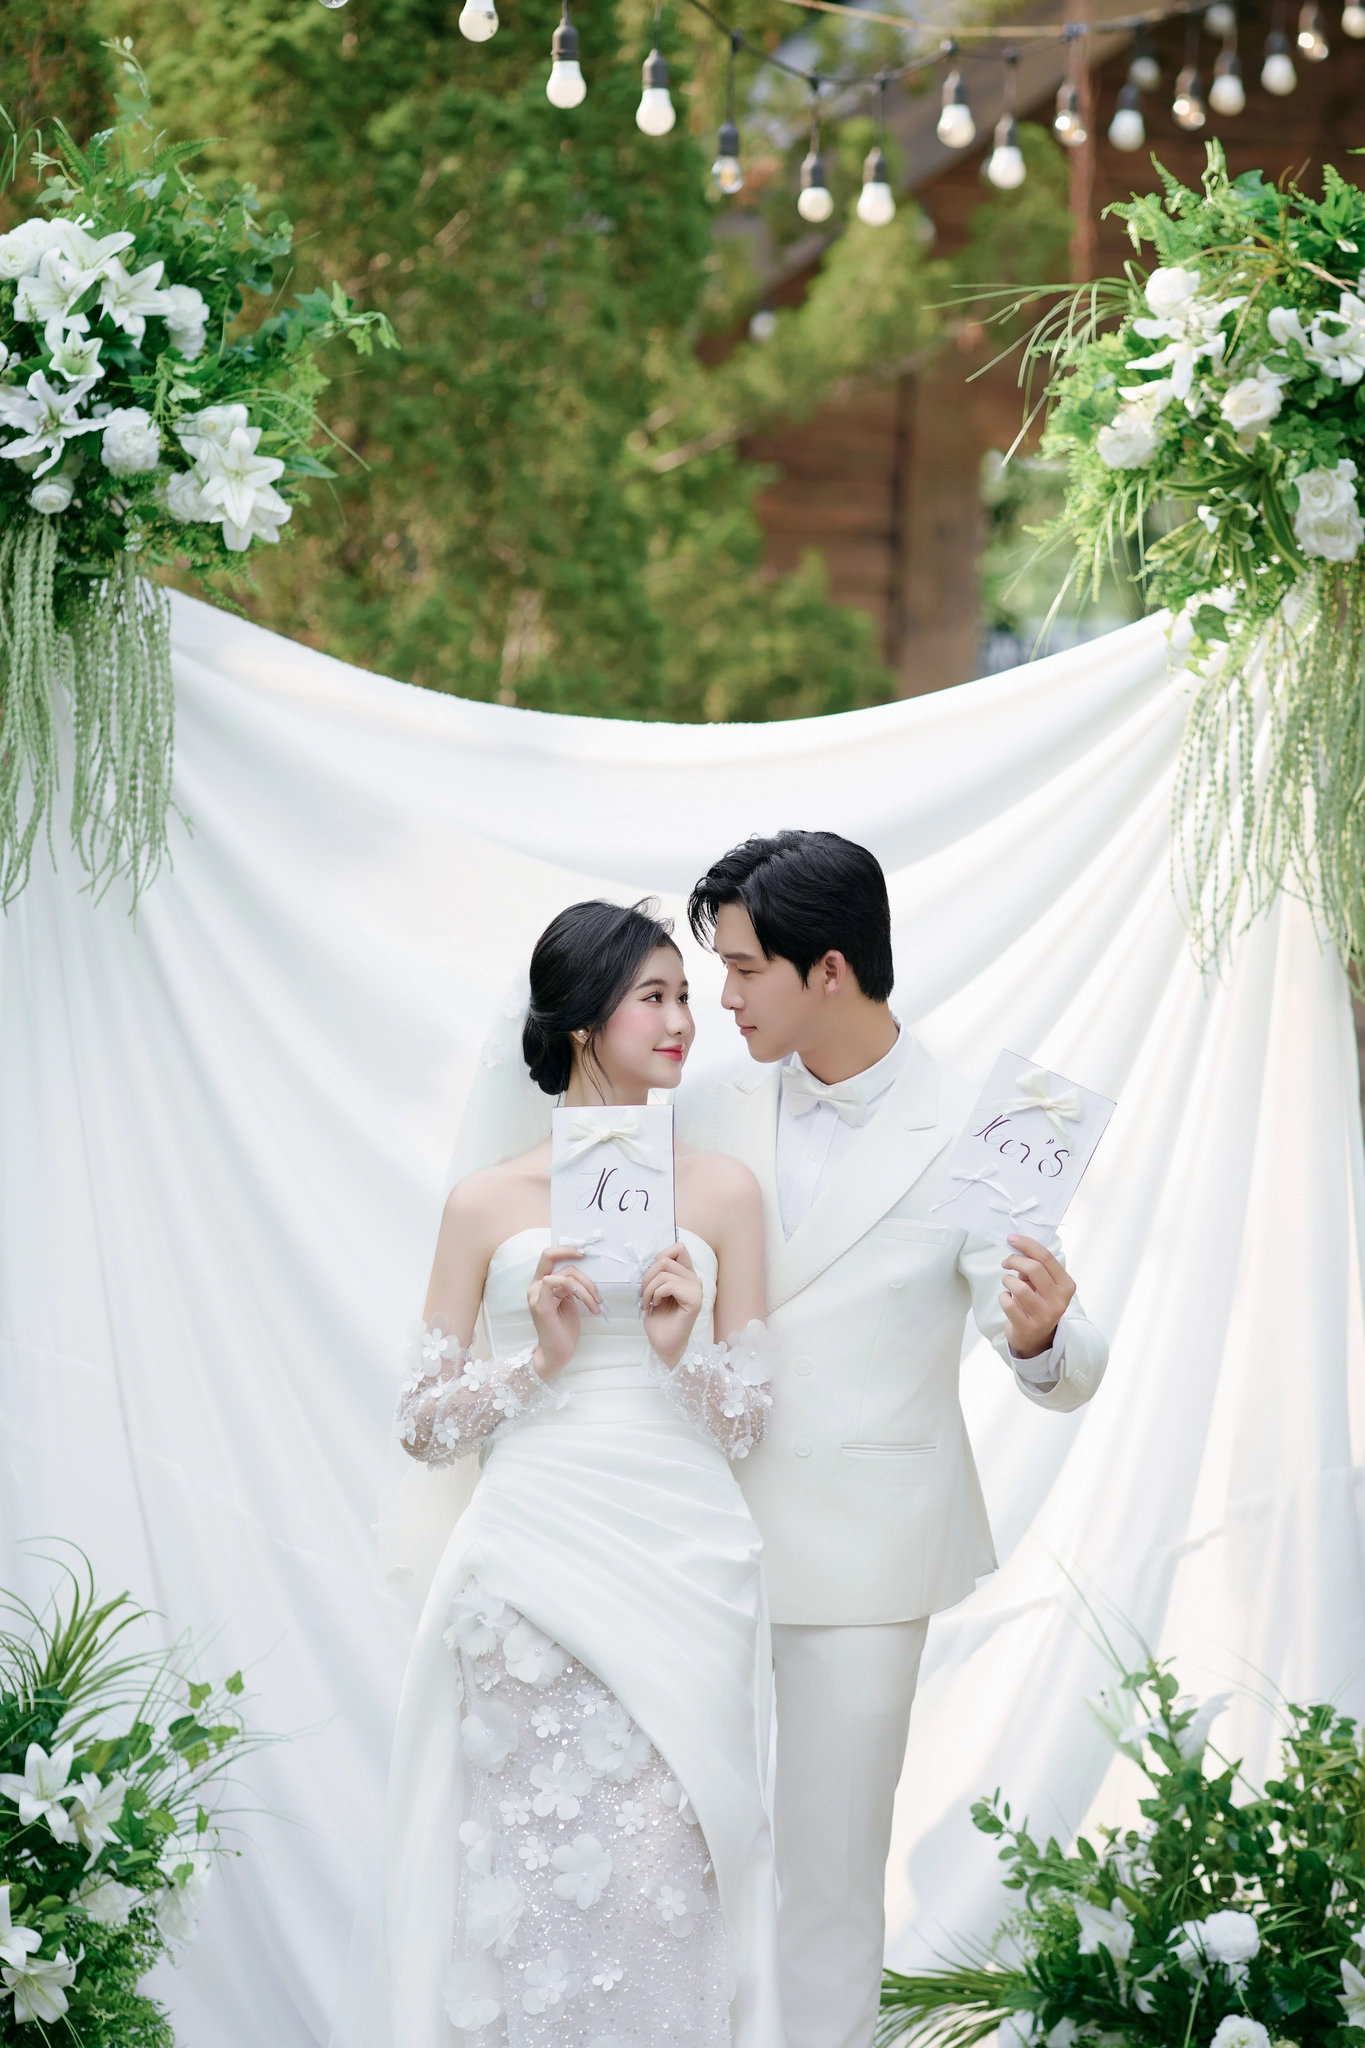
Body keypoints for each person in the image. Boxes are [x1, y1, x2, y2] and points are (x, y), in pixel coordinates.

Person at [681, 830, 1110, 2048]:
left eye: (744, 968)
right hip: (688, 1541)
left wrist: (1044, 1330)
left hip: (864, 1559)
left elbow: (1061, 1356)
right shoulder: (702, 1105)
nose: (722, 998)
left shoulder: (983, 1122)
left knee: (828, 1881)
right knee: (682, 1868)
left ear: (827, 969)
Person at [381, 897, 785, 2048]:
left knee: (671, 1860)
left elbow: (747, 1420)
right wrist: (537, 1362)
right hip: (531, 1558)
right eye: (654, 996)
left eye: (686, 996)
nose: (683, 1020)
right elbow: (422, 1423)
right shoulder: (485, 1202)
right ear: (579, 1021)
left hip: (684, 1557)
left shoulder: (722, 1192)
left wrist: (682, 1347)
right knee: (531, 1859)